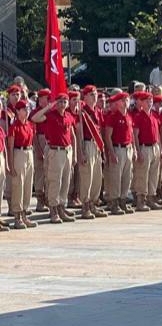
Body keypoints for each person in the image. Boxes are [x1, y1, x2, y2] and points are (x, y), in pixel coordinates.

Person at [31, 92, 78, 224]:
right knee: (54, 181)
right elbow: (35, 118)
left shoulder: (68, 116)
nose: (62, 104)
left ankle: (61, 207)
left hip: (67, 151)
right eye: (60, 102)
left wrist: (74, 154)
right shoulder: (50, 115)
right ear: (55, 103)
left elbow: (72, 135)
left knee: (65, 181)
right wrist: (48, 107)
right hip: (55, 151)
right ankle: (53, 210)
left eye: (65, 102)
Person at [75, 85, 108, 220]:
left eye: (96, 94)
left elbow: (100, 130)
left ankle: (94, 203)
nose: (95, 97)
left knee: (96, 176)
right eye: (92, 94)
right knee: (87, 176)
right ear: (85, 96)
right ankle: (86, 205)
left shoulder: (97, 111)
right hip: (87, 143)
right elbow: (78, 132)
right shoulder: (82, 112)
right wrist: (81, 151)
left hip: (96, 145)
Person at [103, 91, 135, 216]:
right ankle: (114, 202)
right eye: (123, 100)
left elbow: (131, 134)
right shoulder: (113, 116)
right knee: (116, 178)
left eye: (126, 100)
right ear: (117, 103)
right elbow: (108, 136)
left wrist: (134, 150)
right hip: (118, 148)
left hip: (128, 148)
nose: (125, 102)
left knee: (127, 176)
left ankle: (123, 200)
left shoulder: (128, 116)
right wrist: (111, 153)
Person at [6, 101, 37, 229]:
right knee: (19, 184)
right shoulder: (14, 127)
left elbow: (33, 141)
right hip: (19, 153)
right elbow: (10, 146)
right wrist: (11, 164)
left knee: (28, 185)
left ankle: (24, 213)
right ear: (17, 111)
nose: (26, 110)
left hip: (29, 152)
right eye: (23, 109)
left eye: (28, 108)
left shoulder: (30, 125)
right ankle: (17, 216)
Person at [131, 91, 162, 212]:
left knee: (153, 175)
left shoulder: (154, 116)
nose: (150, 103)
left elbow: (158, 134)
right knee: (142, 175)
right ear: (141, 103)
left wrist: (160, 149)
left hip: (154, 146)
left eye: (151, 101)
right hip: (144, 147)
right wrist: (138, 151)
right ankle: (141, 200)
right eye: (147, 101)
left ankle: (151, 198)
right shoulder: (138, 117)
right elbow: (135, 135)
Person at [32, 89, 51, 212]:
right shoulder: (35, 113)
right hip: (40, 139)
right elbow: (33, 133)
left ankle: (49, 199)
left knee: (49, 172)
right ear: (40, 98)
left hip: (49, 140)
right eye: (46, 97)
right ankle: (40, 200)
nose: (49, 99)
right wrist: (38, 148)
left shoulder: (50, 111)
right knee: (39, 171)